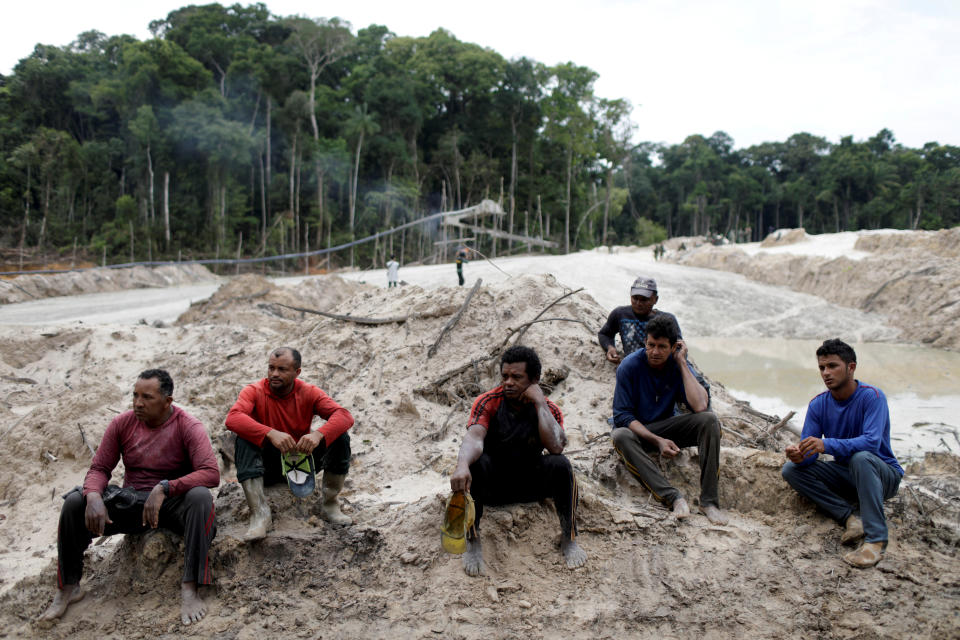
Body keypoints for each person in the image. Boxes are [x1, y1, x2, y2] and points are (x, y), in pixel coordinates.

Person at [40, 370, 219, 625]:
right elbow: (100, 469)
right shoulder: (122, 423)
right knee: (74, 502)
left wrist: (166, 487)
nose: (138, 403)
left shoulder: (187, 426)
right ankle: (68, 587)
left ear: (168, 401)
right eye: (135, 395)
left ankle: (190, 587)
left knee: (201, 498)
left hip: (169, 507)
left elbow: (211, 473)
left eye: (147, 397)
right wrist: (93, 497)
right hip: (132, 503)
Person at [450, 345, 587, 576]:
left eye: (516, 377)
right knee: (475, 463)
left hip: (530, 483)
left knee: (561, 465)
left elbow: (555, 446)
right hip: (493, 486)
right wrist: (461, 465)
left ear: (534, 380)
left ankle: (569, 538)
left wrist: (540, 403)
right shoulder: (489, 401)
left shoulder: (549, 409)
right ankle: (473, 539)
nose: (508, 382)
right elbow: (474, 437)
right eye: (505, 376)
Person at [781, 339, 903, 568]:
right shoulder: (818, 404)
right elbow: (810, 453)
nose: (826, 373)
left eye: (833, 366)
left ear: (851, 367)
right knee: (791, 470)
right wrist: (799, 455)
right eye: (822, 367)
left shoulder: (872, 397)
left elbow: (871, 443)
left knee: (862, 457)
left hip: (882, 476)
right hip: (848, 475)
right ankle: (850, 518)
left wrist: (826, 445)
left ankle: (876, 541)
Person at [611, 314, 728, 525]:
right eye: (651, 345)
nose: (655, 352)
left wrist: (682, 363)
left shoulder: (677, 364)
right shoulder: (629, 366)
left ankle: (709, 501)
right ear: (645, 343)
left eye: (662, 347)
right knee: (620, 435)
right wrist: (657, 440)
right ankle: (673, 497)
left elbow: (700, 405)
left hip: (667, 426)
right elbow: (622, 415)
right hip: (639, 432)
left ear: (674, 346)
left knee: (710, 421)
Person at [226, 347, 354, 540]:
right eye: (271, 368)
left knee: (340, 437)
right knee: (244, 438)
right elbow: (233, 419)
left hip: (302, 462)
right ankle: (260, 515)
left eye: (282, 369)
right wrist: (269, 433)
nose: (274, 374)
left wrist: (318, 435)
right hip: (266, 467)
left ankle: (330, 504)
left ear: (297, 372)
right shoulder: (254, 391)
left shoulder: (309, 392)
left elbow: (344, 416)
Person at [598, 276, 681, 364]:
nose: (638, 303)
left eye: (644, 300)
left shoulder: (668, 320)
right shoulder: (620, 314)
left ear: (655, 299)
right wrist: (610, 348)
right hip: (634, 365)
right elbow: (605, 334)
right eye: (635, 298)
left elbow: (679, 346)